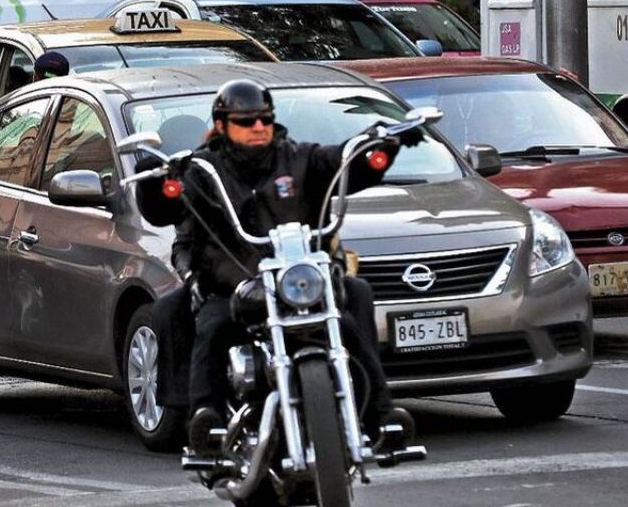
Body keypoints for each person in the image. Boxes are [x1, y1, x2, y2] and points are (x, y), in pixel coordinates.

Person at [136, 79, 419, 457]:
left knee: (353, 307)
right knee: (213, 325)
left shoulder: (300, 158)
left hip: (300, 282)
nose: (258, 128)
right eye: (246, 121)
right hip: (237, 287)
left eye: (265, 120)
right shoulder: (203, 169)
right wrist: (157, 182)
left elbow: (343, 163)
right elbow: (165, 209)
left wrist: (380, 146)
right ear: (221, 125)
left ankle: (381, 415)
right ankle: (207, 419)